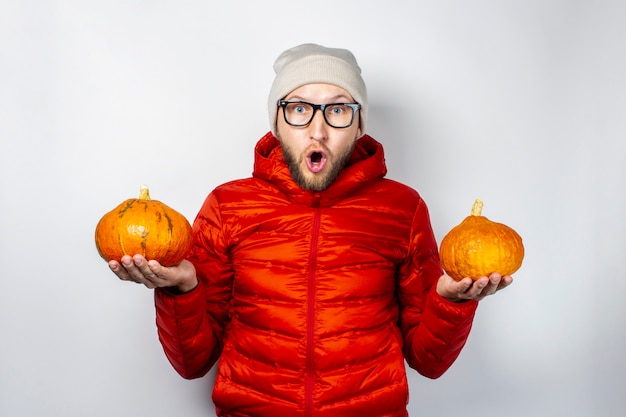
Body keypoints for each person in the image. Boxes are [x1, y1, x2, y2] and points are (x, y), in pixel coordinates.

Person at [108, 43, 513, 417]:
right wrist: (181, 290)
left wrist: (449, 303)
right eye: (299, 109)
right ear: (277, 124)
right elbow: (192, 364)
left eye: (338, 110)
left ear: (359, 127)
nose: (317, 130)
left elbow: (429, 362)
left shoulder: (403, 209)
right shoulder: (227, 206)